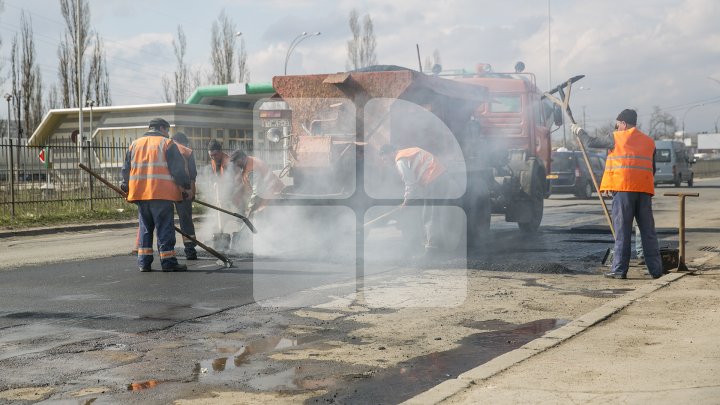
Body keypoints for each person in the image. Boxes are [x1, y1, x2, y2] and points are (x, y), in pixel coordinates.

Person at [572, 109, 663, 279]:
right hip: (644, 191)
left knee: (622, 231)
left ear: (624, 123)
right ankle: (656, 271)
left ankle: (619, 270)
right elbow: (653, 168)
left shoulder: (617, 137)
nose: (617, 126)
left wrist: (578, 131)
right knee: (648, 232)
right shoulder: (649, 141)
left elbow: (591, 142)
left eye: (618, 123)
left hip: (624, 191)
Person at [121, 118, 192, 272]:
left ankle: (144, 263)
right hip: (161, 193)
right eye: (167, 130)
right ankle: (168, 262)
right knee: (164, 228)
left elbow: (126, 169)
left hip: (140, 193)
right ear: (161, 128)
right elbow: (177, 169)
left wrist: (125, 185)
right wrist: (185, 187)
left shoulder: (135, 144)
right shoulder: (166, 143)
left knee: (146, 228)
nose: (168, 134)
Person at [379, 144, 452, 255]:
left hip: (434, 179)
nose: (385, 162)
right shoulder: (406, 153)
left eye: (385, 158)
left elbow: (410, 184)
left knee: (429, 215)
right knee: (434, 213)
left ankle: (432, 250)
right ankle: (437, 245)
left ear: (390, 153)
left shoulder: (400, 160)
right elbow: (416, 180)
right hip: (440, 177)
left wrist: (405, 202)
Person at [229, 149, 284, 217]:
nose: (236, 165)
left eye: (237, 162)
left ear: (242, 158)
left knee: (260, 221)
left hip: (274, 197)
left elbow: (256, 193)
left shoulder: (252, 168)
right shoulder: (247, 163)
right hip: (268, 197)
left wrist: (250, 210)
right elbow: (248, 189)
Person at [171, 132, 198, 260]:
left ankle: (167, 252)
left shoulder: (163, 147)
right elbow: (192, 175)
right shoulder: (185, 151)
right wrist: (191, 192)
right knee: (186, 220)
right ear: (183, 142)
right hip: (183, 191)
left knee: (165, 222)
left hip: (163, 191)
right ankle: (190, 250)